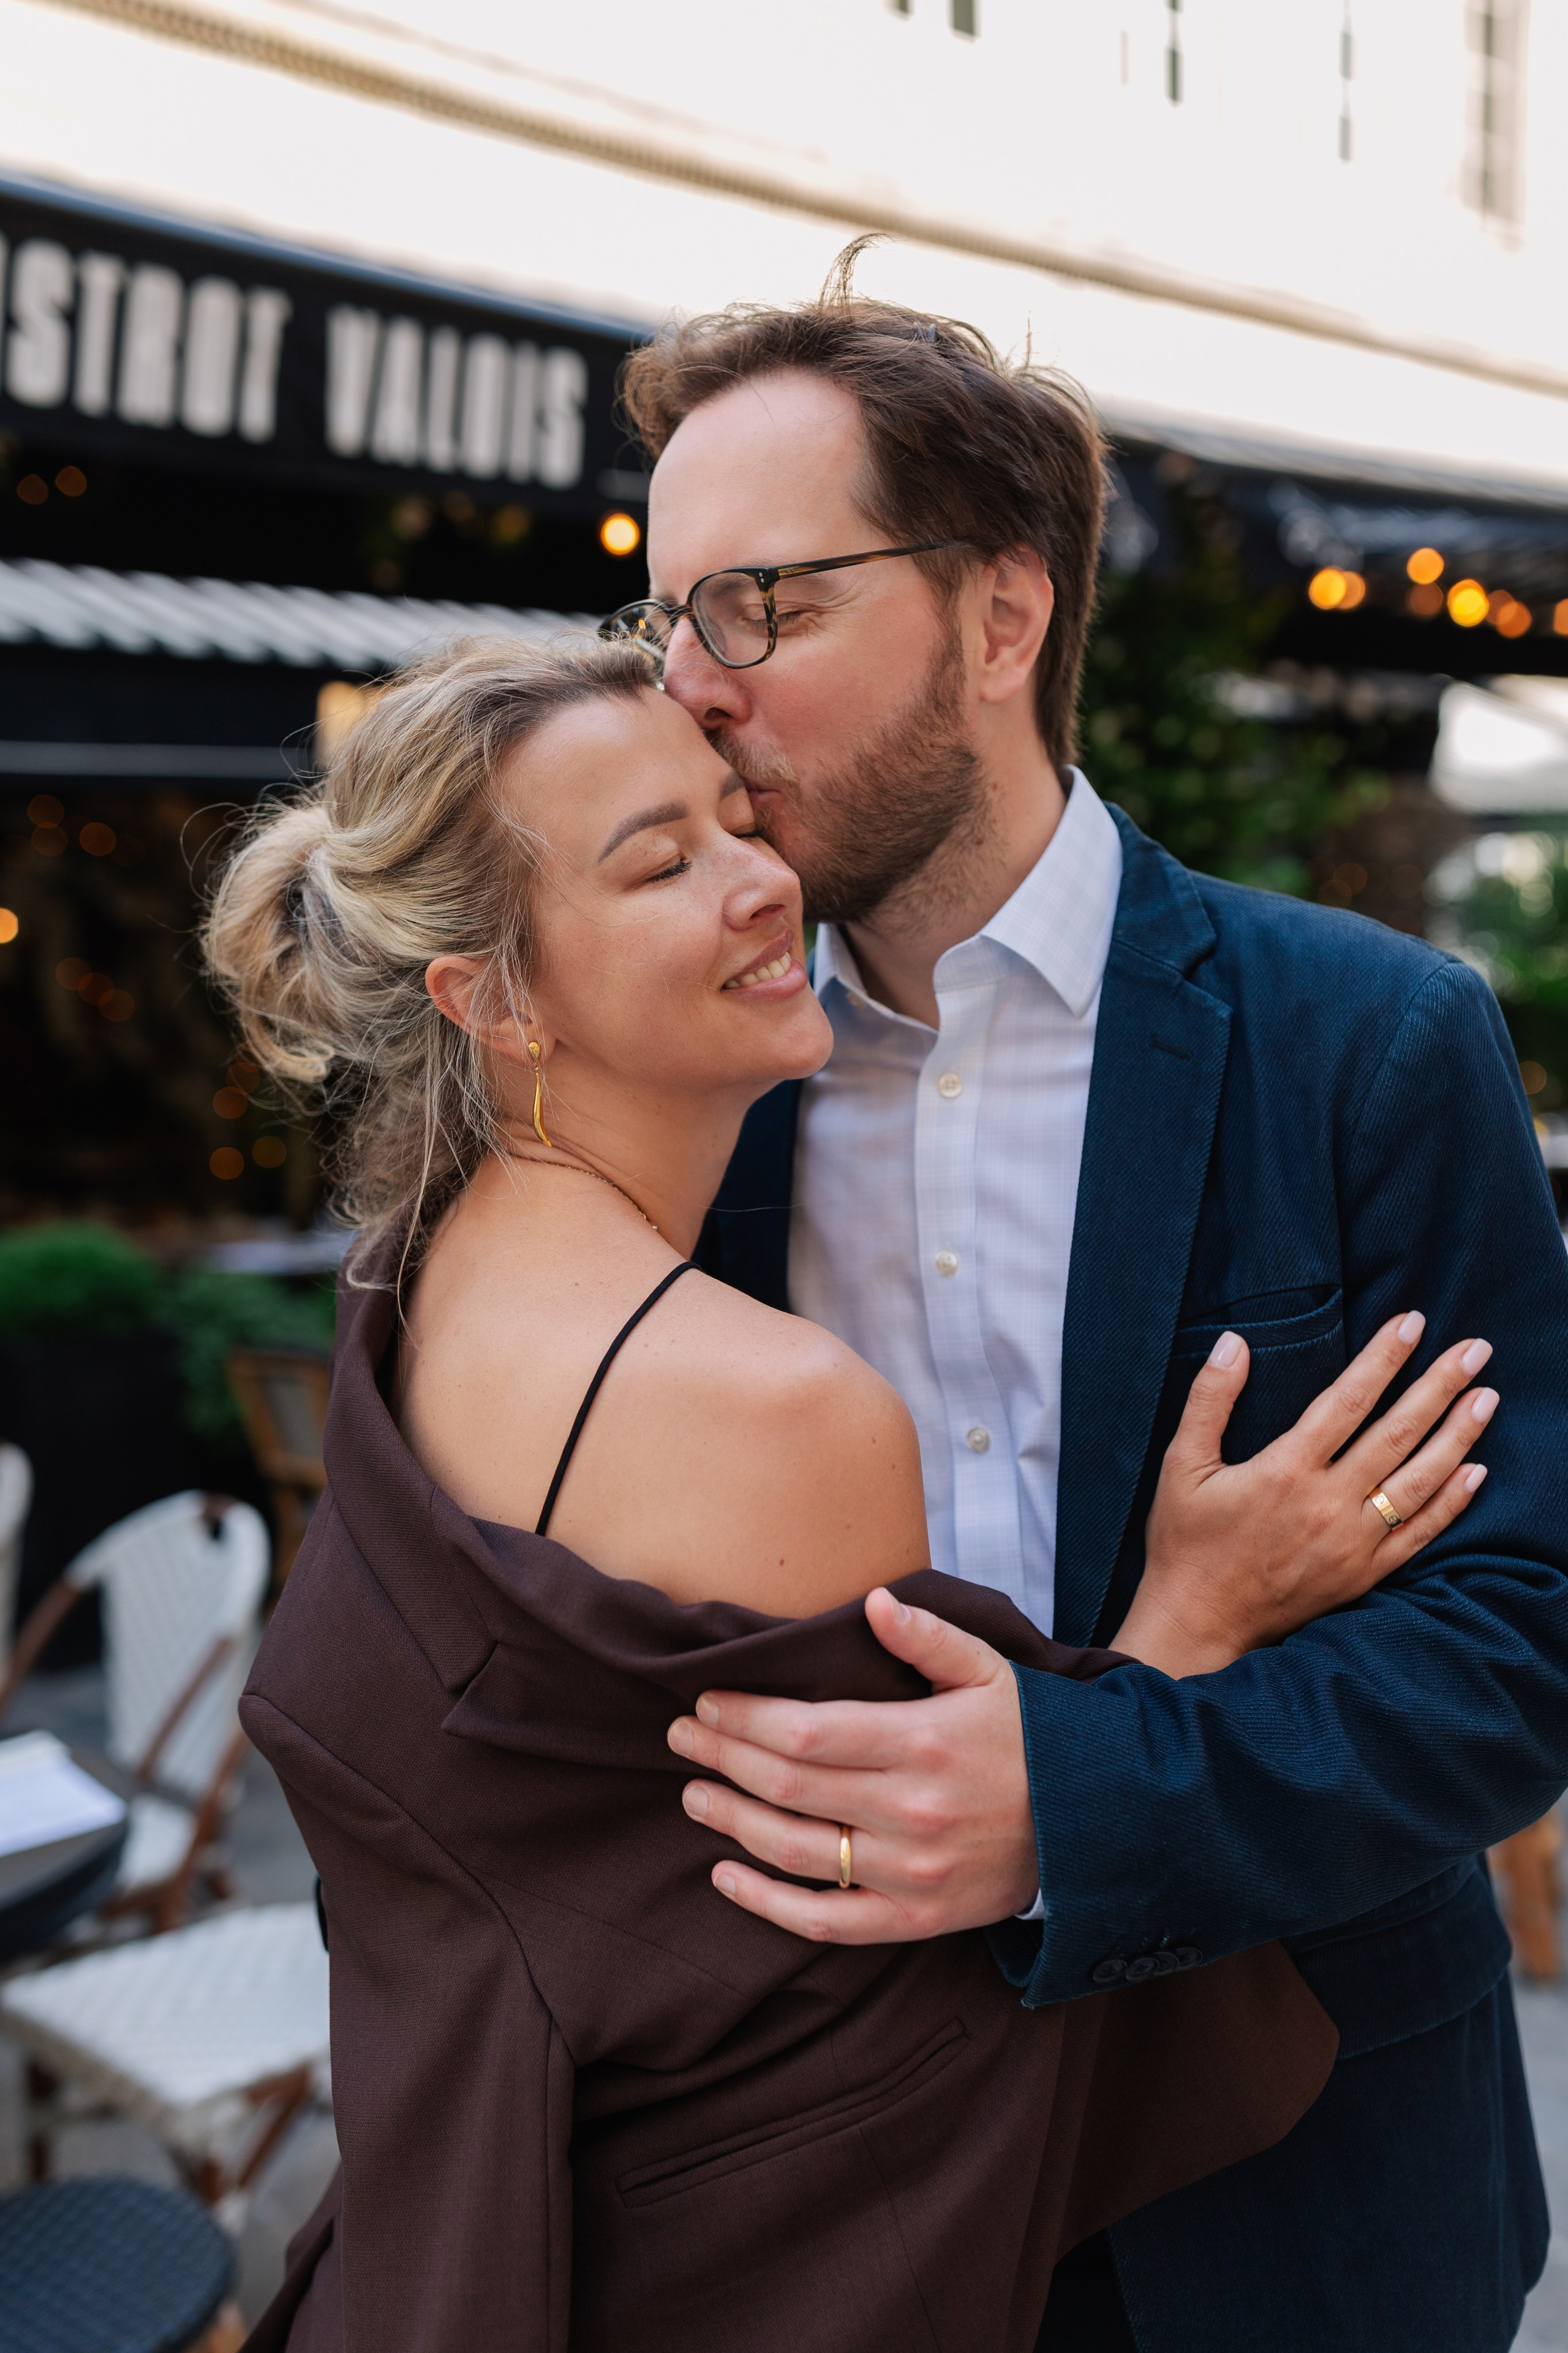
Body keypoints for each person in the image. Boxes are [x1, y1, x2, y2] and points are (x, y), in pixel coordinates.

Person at [207, 642, 1490, 2353]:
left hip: (457, 2239)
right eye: (661, 861)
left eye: (738, 819)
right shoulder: (772, 1408)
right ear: (493, 1000)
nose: (764, 881)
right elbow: (912, 2063)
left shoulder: (409, 1289)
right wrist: (1184, 1633)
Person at [598, 276, 1568, 2352]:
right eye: (666, 619)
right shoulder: (670, 1092)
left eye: (756, 605)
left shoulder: (1372, 1044)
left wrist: (1088, 1789)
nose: (690, 689)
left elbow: (1524, 1627)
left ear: (1003, 619)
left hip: (1314, 2185)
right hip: (840, 2190)